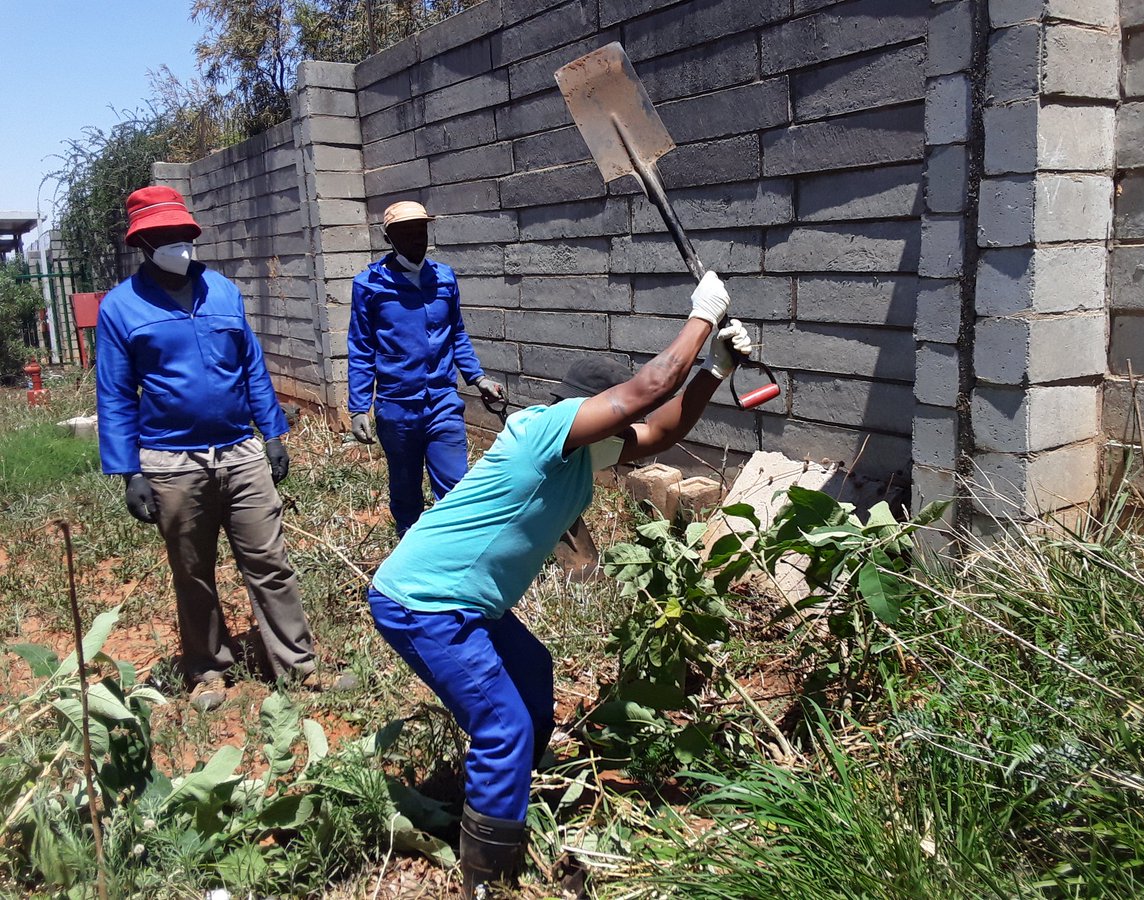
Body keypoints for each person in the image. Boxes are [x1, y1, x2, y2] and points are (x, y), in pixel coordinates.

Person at [366, 270, 750, 897]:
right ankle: (488, 880)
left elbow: (664, 427)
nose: (628, 436)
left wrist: (715, 371)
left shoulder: (583, 452)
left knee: (532, 675)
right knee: (502, 725)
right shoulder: (541, 432)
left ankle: (506, 791)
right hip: (425, 602)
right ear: (589, 414)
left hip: (468, 604)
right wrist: (701, 315)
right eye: (615, 421)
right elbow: (650, 389)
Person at [96, 185, 352, 712]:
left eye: (182, 234)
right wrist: (130, 472)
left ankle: (298, 666)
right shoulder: (121, 307)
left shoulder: (223, 292)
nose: (178, 244)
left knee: (270, 560)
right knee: (192, 570)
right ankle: (208, 669)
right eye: (164, 237)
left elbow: (252, 367)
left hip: (240, 451)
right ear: (144, 244)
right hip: (171, 460)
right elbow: (116, 393)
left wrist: (273, 434)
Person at [346, 201, 505, 535]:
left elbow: (456, 332)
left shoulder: (444, 278)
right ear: (388, 237)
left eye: (421, 230)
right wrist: (359, 406)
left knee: (456, 486)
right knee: (406, 492)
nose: (417, 238)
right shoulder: (370, 285)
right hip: (397, 406)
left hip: (442, 402)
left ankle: (451, 556)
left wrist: (477, 377)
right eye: (406, 232)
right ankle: (412, 552)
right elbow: (361, 347)